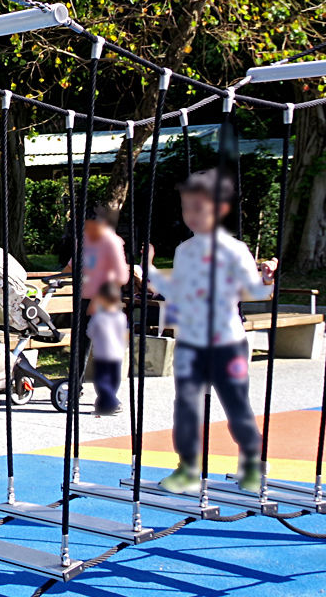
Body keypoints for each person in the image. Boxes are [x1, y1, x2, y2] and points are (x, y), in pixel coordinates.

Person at [144, 168, 277, 495]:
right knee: (186, 405)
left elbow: (256, 293)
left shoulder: (234, 250)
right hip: (190, 340)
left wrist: (269, 277)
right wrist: (149, 277)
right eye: (187, 208)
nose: (191, 215)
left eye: (199, 208)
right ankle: (187, 466)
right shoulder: (184, 250)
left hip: (227, 342)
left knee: (235, 404)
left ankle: (252, 463)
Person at [62, 204, 129, 369]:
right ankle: (75, 384)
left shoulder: (111, 242)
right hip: (83, 298)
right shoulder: (83, 240)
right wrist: (54, 282)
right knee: (79, 342)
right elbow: (72, 266)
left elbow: (121, 276)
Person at [87, 282, 128, 417]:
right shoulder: (121, 316)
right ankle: (104, 402)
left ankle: (112, 402)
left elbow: (90, 332)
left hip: (102, 353)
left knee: (101, 380)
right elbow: (124, 333)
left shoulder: (99, 317)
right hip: (117, 352)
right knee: (114, 379)